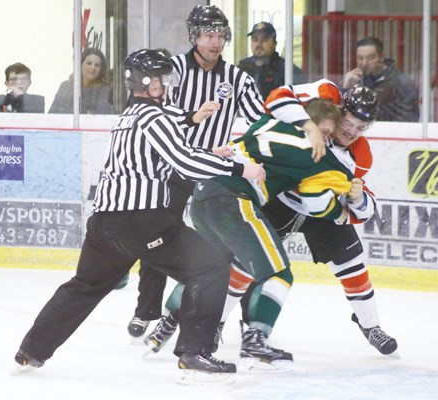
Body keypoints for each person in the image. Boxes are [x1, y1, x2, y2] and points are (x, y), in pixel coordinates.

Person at [13, 49, 266, 384]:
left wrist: (208, 152)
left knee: (84, 286)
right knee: (211, 266)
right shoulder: (153, 117)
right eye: (158, 78)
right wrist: (241, 167)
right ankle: (195, 353)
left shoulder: (129, 116)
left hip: (105, 224)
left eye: (165, 77)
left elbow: (172, 154)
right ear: (142, 81)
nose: (164, 84)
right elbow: (186, 163)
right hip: (141, 220)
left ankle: (32, 349)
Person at [145, 85, 359, 371]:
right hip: (232, 200)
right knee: (277, 272)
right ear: (313, 126)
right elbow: (318, 204)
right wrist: (342, 212)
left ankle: (168, 322)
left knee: (209, 269)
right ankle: (255, 340)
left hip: (202, 197)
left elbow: (279, 96)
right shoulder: (315, 152)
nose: (328, 139)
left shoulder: (266, 122)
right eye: (326, 131)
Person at [126, 4, 269, 339]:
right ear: (193, 36)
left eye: (220, 34)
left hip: (216, 170)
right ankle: (146, 310)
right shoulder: (171, 70)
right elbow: (151, 110)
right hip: (174, 167)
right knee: (159, 235)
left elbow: (259, 124)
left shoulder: (238, 79)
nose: (215, 41)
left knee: (235, 243)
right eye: (207, 34)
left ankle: (232, 322)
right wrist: (192, 115)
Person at [239, 84, 399, 360]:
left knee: (352, 264)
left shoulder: (361, 155)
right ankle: (220, 322)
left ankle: (371, 326)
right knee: (246, 260)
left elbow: (363, 207)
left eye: (361, 128)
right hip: (282, 199)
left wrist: (357, 199)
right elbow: (276, 98)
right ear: (338, 112)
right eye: (348, 123)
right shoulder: (320, 106)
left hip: (324, 211)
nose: (351, 132)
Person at [341, 36, 419, 122]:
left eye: (370, 58)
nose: (364, 63)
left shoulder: (402, 82)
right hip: (358, 132)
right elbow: (338, 113)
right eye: (360, 58)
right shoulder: (353, 79)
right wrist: (345, 88)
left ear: (381, 57)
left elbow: (409, 118)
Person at [238, 21, 306, 100]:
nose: (259, 44)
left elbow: (303, 97)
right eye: (255, 39)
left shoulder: (286, 69)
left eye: (264, 40)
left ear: (274, 43)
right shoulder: (243, 67)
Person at [48, 47, 115, 114]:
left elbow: (112, 117)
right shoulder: (66, 87)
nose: (93, 67)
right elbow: (52, 115)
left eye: (97, 65)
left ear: (101, 69)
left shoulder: (106, 90)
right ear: (80, 65)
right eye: (89, 63)